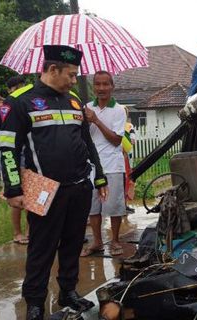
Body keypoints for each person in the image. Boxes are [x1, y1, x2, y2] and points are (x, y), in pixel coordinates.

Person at [0, 45, 108, 320]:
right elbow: (8, 148)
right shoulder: (20, 101)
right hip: (42, 186)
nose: (74, 81)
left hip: (79, 184)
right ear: (52, 69)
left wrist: (100, 175)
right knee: (41, 248)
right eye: (70, 75)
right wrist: (13, 189)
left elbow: (86, 142)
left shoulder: (73, 101)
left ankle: (68, 291)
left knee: (72, 242)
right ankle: (35, 302)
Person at [81, 70, 128, 257]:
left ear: (112, 87)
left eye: (105, 84)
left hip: (112, 165)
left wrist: (96, 120)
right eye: (98, 84)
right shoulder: (85, 107)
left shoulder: (119, 110)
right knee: (93, 207)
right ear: (93, 87)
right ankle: (97, 242)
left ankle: (115, 240)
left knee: (113, 207)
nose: (101, 88)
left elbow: (116, 140)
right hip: (91, 166)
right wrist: (85, 120)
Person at [0, 75, 30, 245]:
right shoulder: (5, 108)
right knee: (16, 197)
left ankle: (31, 231)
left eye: (22, 86)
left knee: (32, 198)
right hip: (15, 157)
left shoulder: (27, 104)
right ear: (9, 90)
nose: (19, 90)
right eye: (15, 87)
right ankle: (17, 232)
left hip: (29, 157)